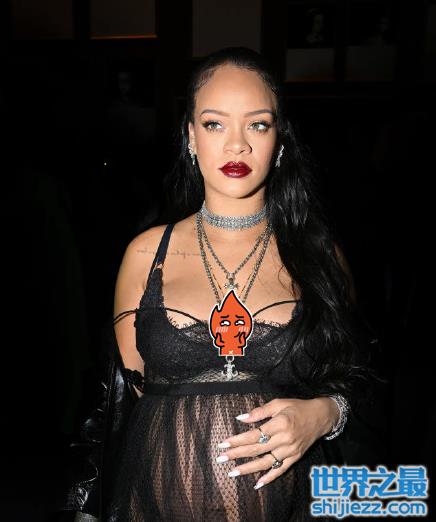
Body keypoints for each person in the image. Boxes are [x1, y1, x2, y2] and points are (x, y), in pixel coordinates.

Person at [59, 47, 382, 522]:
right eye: (214, 124)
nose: (237, 146)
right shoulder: (146, 255)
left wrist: (326, 414)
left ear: (280, 140)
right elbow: (119, 401)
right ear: (191, 136)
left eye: (258, 125)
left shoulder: (320, 257)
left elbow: (366, 382)